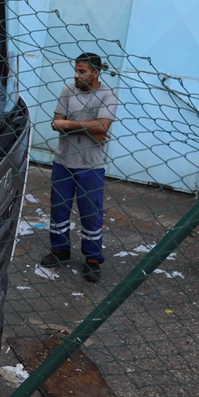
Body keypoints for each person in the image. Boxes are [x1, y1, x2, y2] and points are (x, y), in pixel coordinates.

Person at [40, 53, 119, 283]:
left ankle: (93, 258)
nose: (76, 75)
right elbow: (56, 123)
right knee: (58, 209)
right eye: (75, 70)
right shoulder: (67, 91)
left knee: (91, 213)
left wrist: (69, 124)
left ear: (95, 73)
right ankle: (60, 250)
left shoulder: (108, 94)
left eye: (82, 72)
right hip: (63, 161)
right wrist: (89, 128)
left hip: (90, 165)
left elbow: (103, 125)